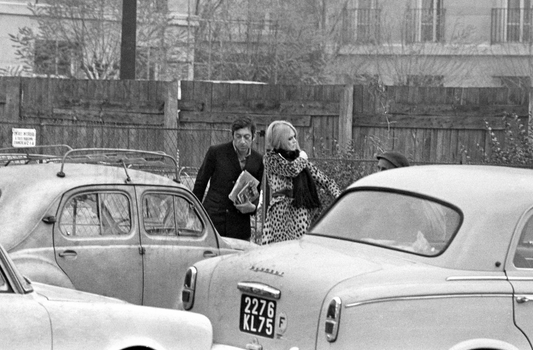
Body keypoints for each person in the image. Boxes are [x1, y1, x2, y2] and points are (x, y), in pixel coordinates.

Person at [261, 120, 341, 245]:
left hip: (300, 211)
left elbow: (325, 180)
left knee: (298, 252)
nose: (294, 141)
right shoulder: (271, 159)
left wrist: (340, 197)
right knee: (279, 252)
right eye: (289, 138)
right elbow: (291, 170)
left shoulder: (300, 159)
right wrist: (302, 159)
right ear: (279, 140)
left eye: (294, 137)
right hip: (281, 212)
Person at [193, 116, 264, 241]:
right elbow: (200, 183)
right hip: (214, 219)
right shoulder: (216, 152)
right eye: (238, 136)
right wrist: (194, 212)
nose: (242, 141)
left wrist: (252, 208)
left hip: (240, 225)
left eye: (246, 137)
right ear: (232, 136)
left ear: (253, 137)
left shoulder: (258, 160)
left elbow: (256, 192)